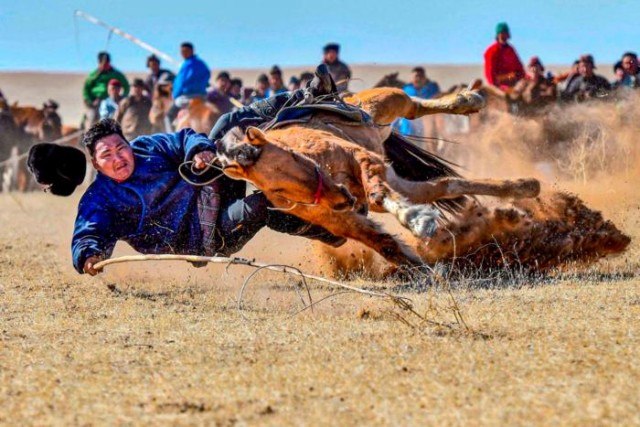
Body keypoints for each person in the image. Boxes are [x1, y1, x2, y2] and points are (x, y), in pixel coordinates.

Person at [62, 119, 343, 275]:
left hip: (211, 187)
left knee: (233, 129)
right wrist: (88, 256)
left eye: (120, 148)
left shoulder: (145, 147)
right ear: (97, 165)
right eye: (107, 155)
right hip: (203, 238)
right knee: (262, 205)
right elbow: (89, 232)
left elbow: (183, 138)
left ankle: (308, 101)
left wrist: (199, 151)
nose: (118, 158)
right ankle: (332, 233)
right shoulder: (100, 198)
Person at [166, 42, 211, 128]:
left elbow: (181, 82)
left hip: (186, 98)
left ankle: (171, 138)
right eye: (181, 51)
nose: (183, 53)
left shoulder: (187, 65)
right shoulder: (202, 64)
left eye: (185, 51)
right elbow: (207, 76)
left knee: (168, 116)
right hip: (202, 97)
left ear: (192, 51)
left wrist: (175, 95)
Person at [83, 52, 129, 127]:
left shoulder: (116, 74)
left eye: (106, 63)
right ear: (99, 63)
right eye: (103, 64)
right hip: (96, 102)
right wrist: (89, 101)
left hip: (113, 100)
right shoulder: (93, 75)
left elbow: (126, 85)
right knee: (92, 120)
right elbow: (86, 89)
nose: (105, 66)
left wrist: (123, 97)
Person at [393, 66, 441, 136]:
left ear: (425, 78)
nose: (418, 79)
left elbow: (438, 101)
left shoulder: (432, 88)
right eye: (416, 76)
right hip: (407, 131)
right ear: (411, 78)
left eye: (420, 76)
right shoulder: (406, 89)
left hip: (426, 129)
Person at [483, 22, 525, 91]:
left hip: (514, 83)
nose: (504, 36)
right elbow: (490, 74)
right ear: (498, 35)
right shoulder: (491, 51)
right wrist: (497, 86)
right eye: (502, 33)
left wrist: (520, 77)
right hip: (498, 84)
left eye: (505, 33)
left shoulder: (511, 50)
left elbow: (520, 70)